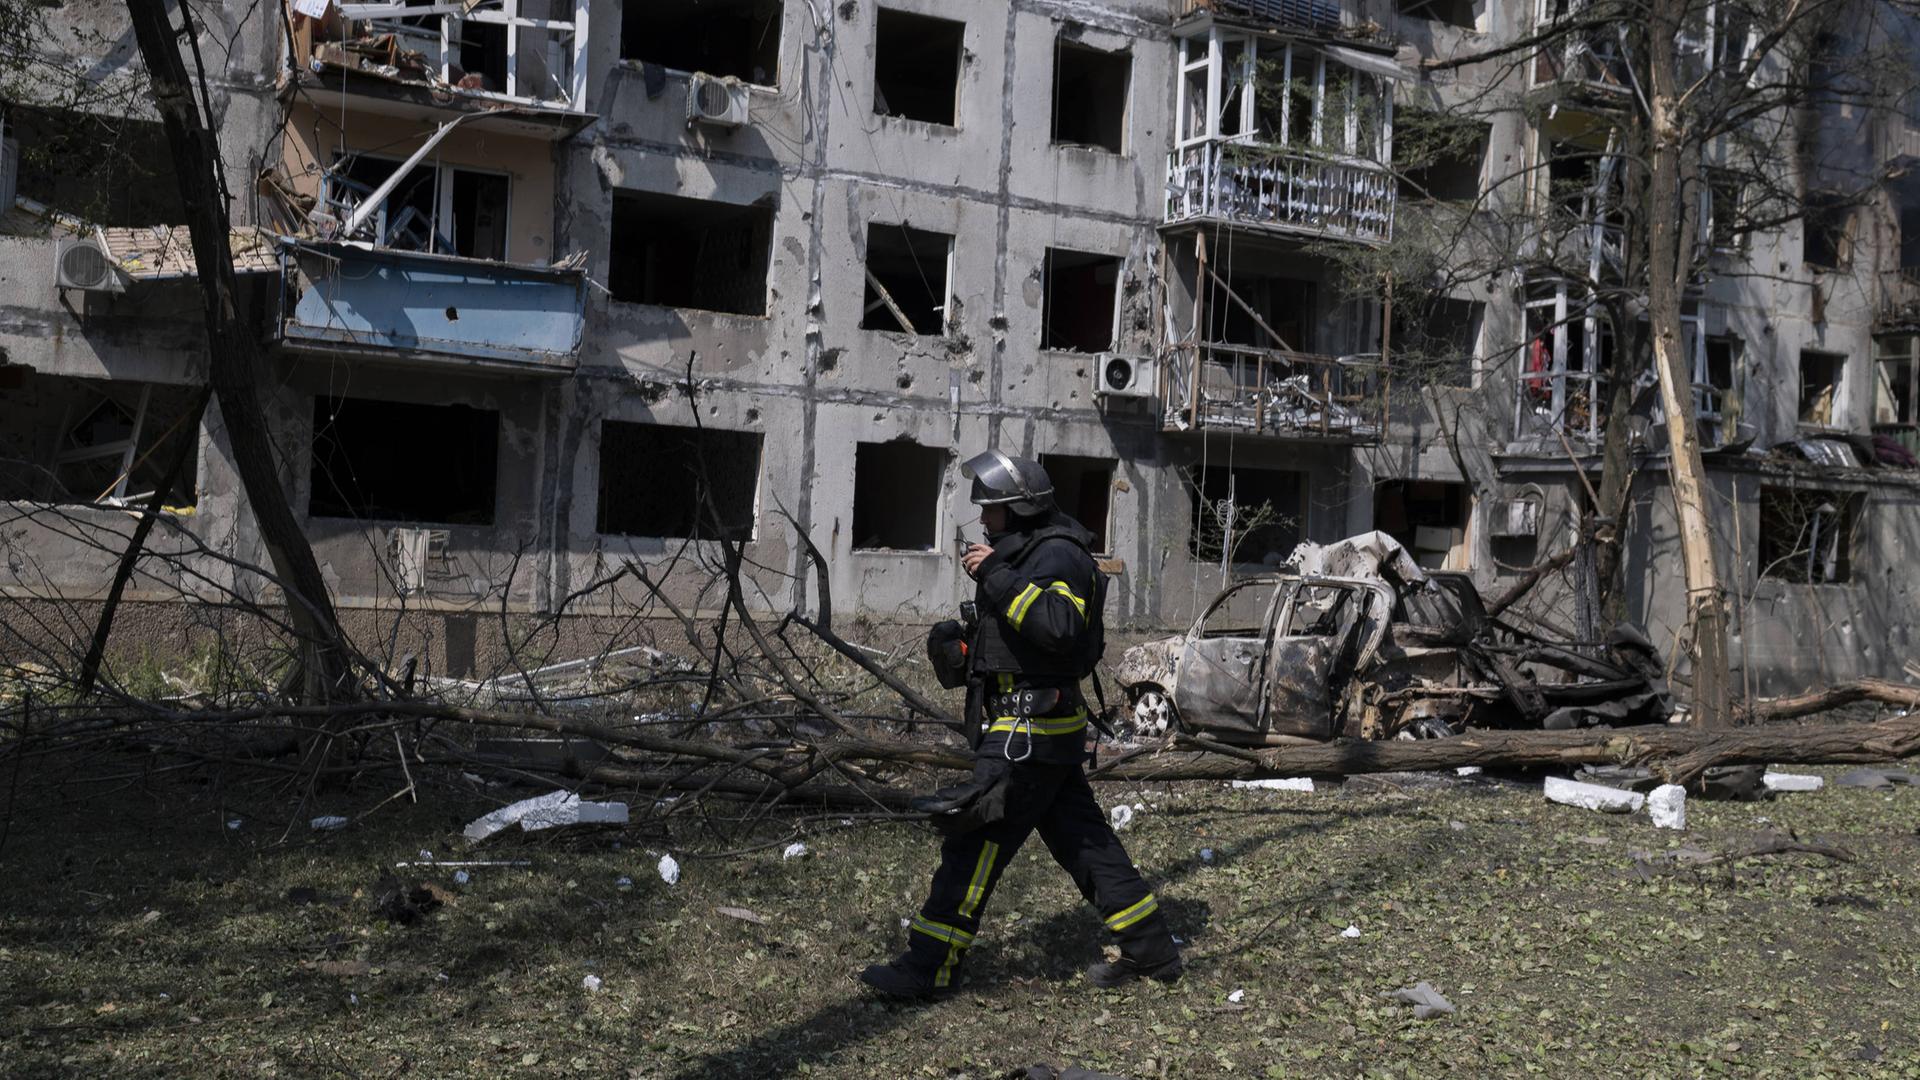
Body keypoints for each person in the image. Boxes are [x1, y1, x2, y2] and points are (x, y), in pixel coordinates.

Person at [858, 450, 1182, 999]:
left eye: (993, 511)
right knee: (1087, 845)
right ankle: (1152, 951)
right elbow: (1024, 640)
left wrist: (997, 574)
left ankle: (927, 968)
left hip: (1028, 735)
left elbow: (1056, 627)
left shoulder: (1058, 554)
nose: (984, 522)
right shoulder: (1032, 553)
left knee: (974, 843)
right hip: (1037, 730)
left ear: (1021, 510)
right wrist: (964, 648)